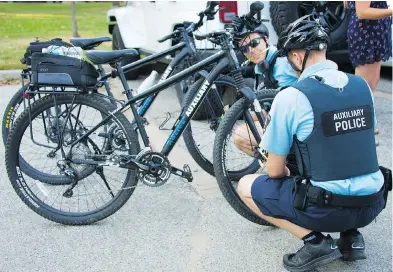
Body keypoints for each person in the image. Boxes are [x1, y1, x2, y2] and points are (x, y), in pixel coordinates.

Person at [237, 14, 388, 272]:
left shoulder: (292, 96)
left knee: (246, 186)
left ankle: (315, 242)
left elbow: (274, 171)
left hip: (328, 209)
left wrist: (285, 173)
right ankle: (352, 239)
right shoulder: (362, 86)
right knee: (339, 153)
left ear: (296, 57)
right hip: (373, 202)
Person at [231, 17, 298, 156]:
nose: (250, 51)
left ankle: (284, 165)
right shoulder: (259, 69)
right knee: (243, 127)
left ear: (266, 39)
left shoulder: (284, 61)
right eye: (244, 48)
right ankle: (279, 164)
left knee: (240, 135)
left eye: (254, 43)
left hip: (294, 125)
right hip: (277, 122)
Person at [346, 1, 392, 136]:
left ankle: (366, 122)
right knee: (363, 85)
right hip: (366, 33)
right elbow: (362, 12)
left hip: (374, 33)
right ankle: (358, 124)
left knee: (372, 82)